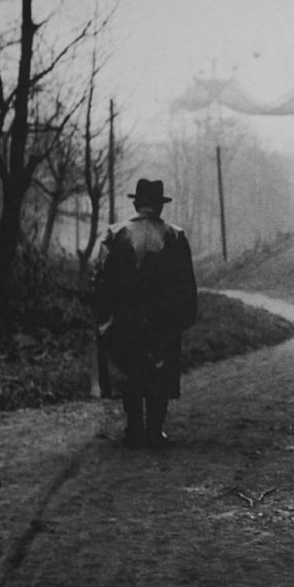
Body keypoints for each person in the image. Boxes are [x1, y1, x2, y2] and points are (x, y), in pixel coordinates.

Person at [92, 179, 198, 449]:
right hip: (163, 317)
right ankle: (155, 429)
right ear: (160, 205)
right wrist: (184, 316)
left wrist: (104, 313)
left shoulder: (115, 234)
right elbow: (186, 281)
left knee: (131, 369)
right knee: (160, 370)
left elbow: (99, 278)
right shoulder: (175, 235)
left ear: (137, 203)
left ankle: (134, 427)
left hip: (125, 316)